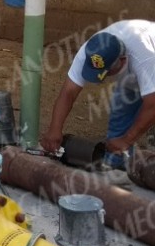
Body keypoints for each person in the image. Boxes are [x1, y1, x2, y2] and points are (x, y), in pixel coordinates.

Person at [40, 19, 155, 171]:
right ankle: (116, 171)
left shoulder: (144, 57)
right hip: (131, 77)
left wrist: (127, 140)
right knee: (118, 127)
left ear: (122, 60)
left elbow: (152, 105)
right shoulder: (90, 51)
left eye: (106, 72)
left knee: (135, 129)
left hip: (149, 66)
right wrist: (55, 129)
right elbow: (68, 92)